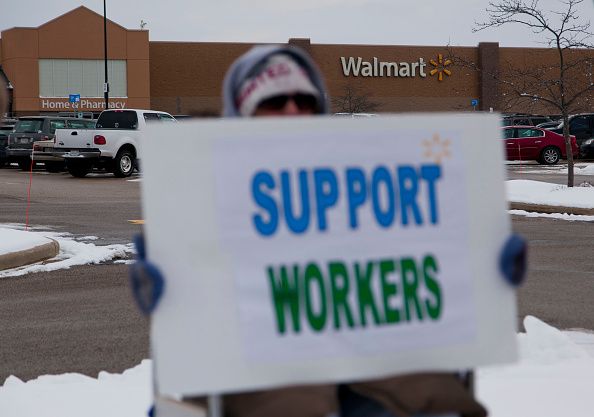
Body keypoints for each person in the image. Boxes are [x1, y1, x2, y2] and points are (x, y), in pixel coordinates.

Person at [131, 45, 527, 417]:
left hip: (394, 393)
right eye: (273, 101)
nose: (292, 110)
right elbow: (188, 370)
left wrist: (480, 266)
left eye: (304, 101)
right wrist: (174, 298)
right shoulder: (202, 203)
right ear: (241, 113)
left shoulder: (372, 189)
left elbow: (428, 282)